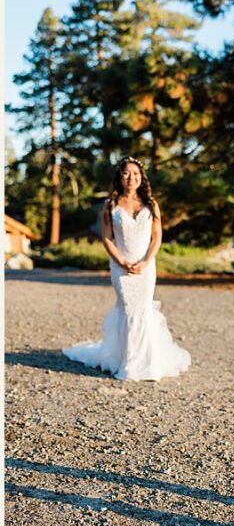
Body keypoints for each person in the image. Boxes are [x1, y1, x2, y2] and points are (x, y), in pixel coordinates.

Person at [64, 158, 192, 381]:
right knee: (128, 308)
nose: (131, 177)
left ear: (141, 177)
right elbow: (106, 238)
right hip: (120, 267)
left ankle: (148, 363)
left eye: (135, 174)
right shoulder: (110, 205)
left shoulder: (151, 204)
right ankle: (128, 362)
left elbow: (157, 237)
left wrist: (145, 261)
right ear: (119, 177)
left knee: (142, 309)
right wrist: (122, 262)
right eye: (126, 173)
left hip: (145, 267)